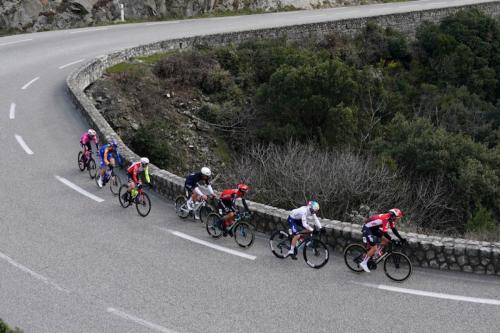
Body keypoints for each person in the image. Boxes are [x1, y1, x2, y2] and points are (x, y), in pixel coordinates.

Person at [359, 208, 406, 273]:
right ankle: (364, 263)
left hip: (374, 228)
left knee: (386, 241)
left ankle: (376, 254)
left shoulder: (391, 219)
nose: (398, 219)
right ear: (394, 216)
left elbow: (394, 230)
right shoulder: (385, 219)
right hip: (367, 228)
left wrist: (401, 238)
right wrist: (393, 240)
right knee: (374, 248)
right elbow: (385, 233)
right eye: (398, 217)